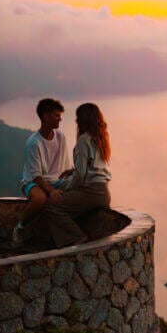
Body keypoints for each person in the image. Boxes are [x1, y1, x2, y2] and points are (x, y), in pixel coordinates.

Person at [42, 102, 112, 248]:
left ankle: (77, 238)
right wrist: (73, 171)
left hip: (92, 191)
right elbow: (93, 168)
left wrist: (64, 189)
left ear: (81, 120)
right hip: (103, 192)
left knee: (52, 205)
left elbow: (81, 176)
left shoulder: (83, 140)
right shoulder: (100, 138)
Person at [12, 98, 73, 246]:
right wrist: (51, 190)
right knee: (40, 199)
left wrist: (72, 172)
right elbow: (36, 175)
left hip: (56, 180)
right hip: (33, 182)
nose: (60, 118)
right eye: (56, 115)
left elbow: (63, 165)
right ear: (45, 116)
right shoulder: (34, 143)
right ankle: (20, 227)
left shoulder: (60, 137)